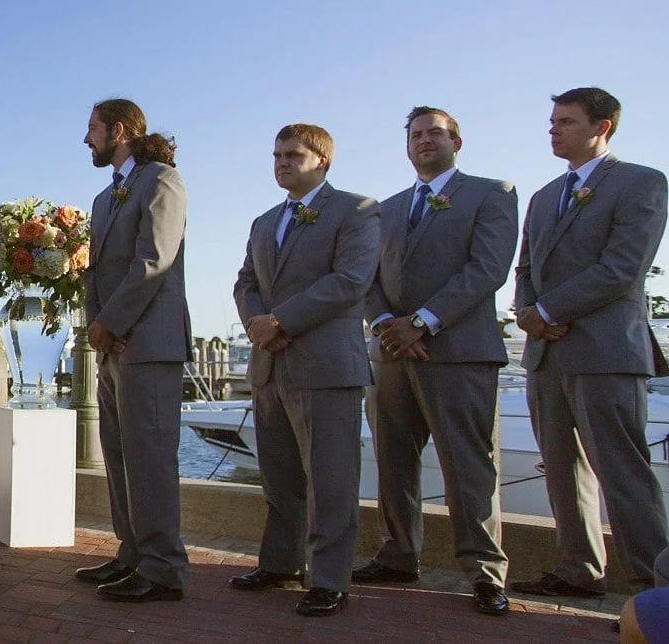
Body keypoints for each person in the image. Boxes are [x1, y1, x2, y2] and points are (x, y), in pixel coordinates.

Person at [353, 106, 517, 616]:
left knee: (469, 467)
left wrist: (421, 321)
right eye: (416, 134)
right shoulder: (386, 209)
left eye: (435, 133)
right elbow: (367, 277)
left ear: (457, 142)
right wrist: (385, 324)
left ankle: (484, 573)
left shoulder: (493, 194)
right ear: (406, 146)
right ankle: (399, 554)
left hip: (459, 354)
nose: (425, 141)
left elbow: (487, 268)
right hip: (391, 356)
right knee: (393, 461)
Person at [510, 87, 668, 599]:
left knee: (623, 472)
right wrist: (531, 315)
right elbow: (526, 267)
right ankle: (579, 570)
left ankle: (653, 586)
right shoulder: (542, 196)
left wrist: (550, 311)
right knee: (559, 468)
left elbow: (623, 268)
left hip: (605, 352)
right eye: (553, 121)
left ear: (601, 127)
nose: (553, 130)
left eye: (566, 122)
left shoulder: (641, 183)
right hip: (546, 354)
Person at [230, 123, 379, 617]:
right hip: (269, 365)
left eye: (292, 154)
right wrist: (256, 323)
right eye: (276, 155)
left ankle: (329, 578)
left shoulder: (356, 211)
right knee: (280, 478)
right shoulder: (263, 221)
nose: (281, 162)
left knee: (331, 479)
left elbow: (351, 281)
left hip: (326, 366)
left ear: (322, 161)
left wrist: (282, 320)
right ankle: (280, 563)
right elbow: (246, 280)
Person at [76, 99, 191, 603]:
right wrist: (97, 325)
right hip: (112, 346)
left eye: (92, 129)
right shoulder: (104, 199)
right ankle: (132, 552)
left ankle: (164, 566)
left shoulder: (162, 180)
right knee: (119, 456)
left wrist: (110, 322)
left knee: (151, 458)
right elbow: (95, 269)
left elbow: (154, 260)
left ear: (118, 130)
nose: (87, 139)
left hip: (150, 344)